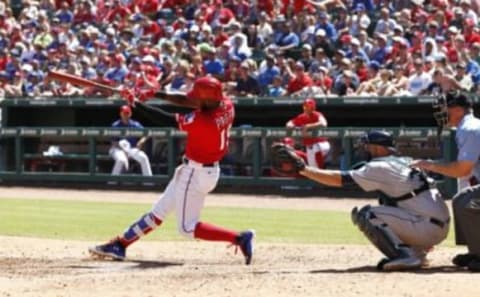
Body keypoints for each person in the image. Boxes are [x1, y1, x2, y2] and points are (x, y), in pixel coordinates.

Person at [89, 76, 254, 265]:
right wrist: (155, 94)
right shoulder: (225, 104)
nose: (195, 99)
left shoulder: (203, 121)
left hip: (196, 173)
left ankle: (240, 238)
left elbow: (165, 119)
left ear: (207, 100)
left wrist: (136, 103)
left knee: (186, 228)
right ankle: (120, 244)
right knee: (158, 212)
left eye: (199, 98)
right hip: (200, 170)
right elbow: (186, 100)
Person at [271, 130, 450, 271]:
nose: (365, 150)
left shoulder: (380, 166)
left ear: (379, 148)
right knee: (386, 201)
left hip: (425, 226)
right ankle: (417, 252)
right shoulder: (405, 160)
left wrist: (303, 169)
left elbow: (338, 180)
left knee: (367, 214)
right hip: (435, 223)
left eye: (368, 146)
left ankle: (406, 255)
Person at [411, 91, 480, 272]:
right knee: (465, 195)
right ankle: (476, 251)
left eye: (445, 108)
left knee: (464, 201)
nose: (441, 113)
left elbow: (461, 169)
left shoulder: (470, 128)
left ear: (457, 110)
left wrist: (429, 165)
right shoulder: (467, 127)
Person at [286, 98, 330, 169]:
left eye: (309, 106)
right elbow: (289, 124)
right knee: (313, 168)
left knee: (316, 148)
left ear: (313, 107)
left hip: (322, 144)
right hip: (309, 146)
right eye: (305, 106)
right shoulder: (301, 117)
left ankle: (322, 168)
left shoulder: (317, 114)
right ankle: (321, 172)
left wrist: (308, 126)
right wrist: (295, 127)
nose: (306, 108)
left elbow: (324, 123)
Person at [109, 105, 153, 177]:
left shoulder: (135, 124)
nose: (126, 115)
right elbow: (113, 142)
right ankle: (112, 182)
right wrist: (123, 149)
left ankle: (149, 182)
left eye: (127, 113)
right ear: (121, 114)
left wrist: (141, 141)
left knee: (143, 158)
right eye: (124, 113)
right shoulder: (115, 125)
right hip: (118, 149)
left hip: (131, 149)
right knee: (121, 160)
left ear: (130, 114)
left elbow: (147, 133)